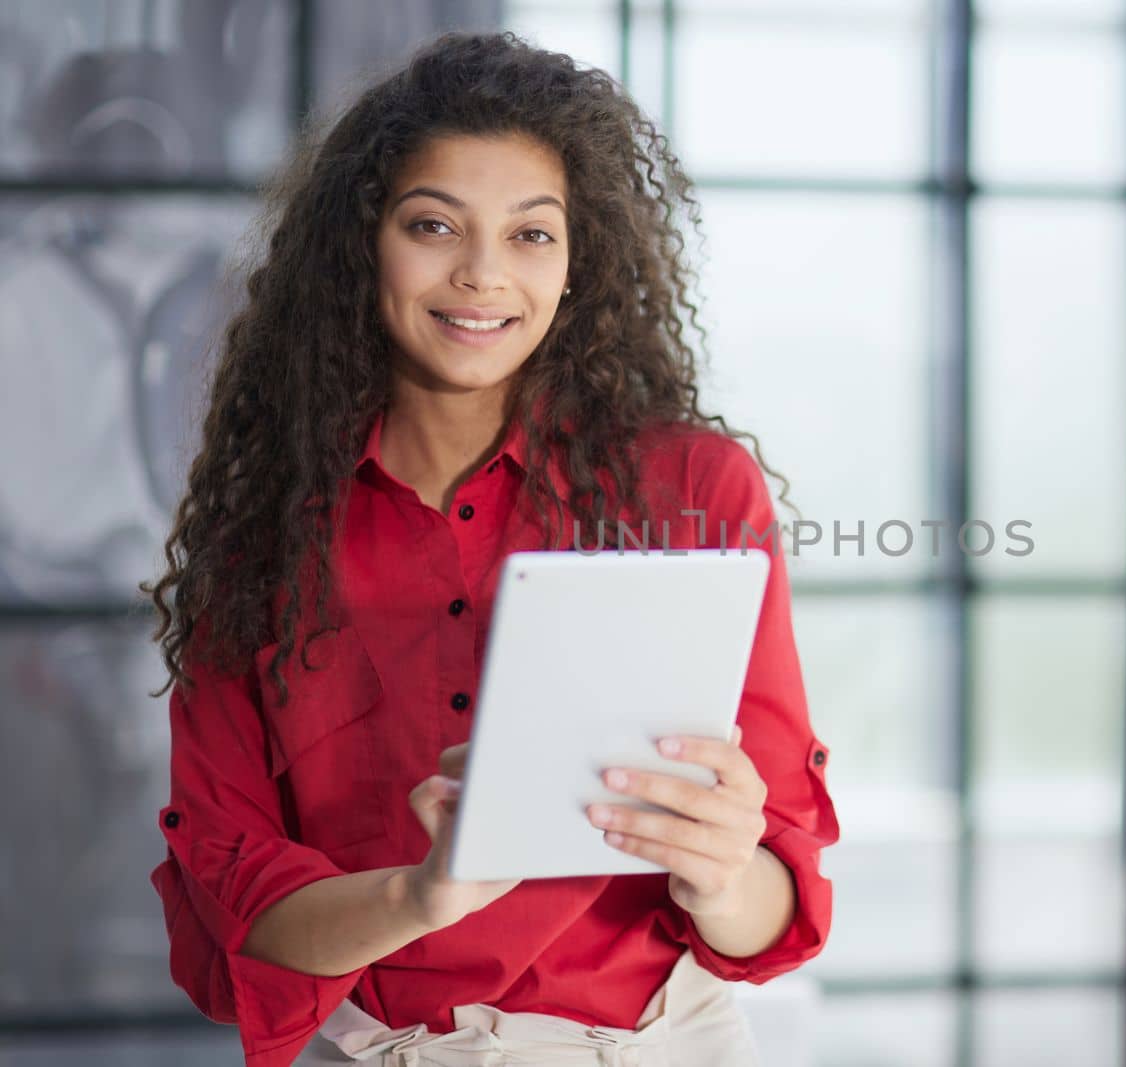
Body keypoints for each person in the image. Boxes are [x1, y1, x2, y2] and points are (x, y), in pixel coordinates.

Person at [143, 30, 838, 1067]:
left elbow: (776, 901)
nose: (481, 275)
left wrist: (722, 865)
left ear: (574, 266)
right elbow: (235, 902)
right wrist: (419, 894)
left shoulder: (696, 491)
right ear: (362, 245)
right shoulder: (263, 536)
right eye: (434, 225)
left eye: (530, 235)